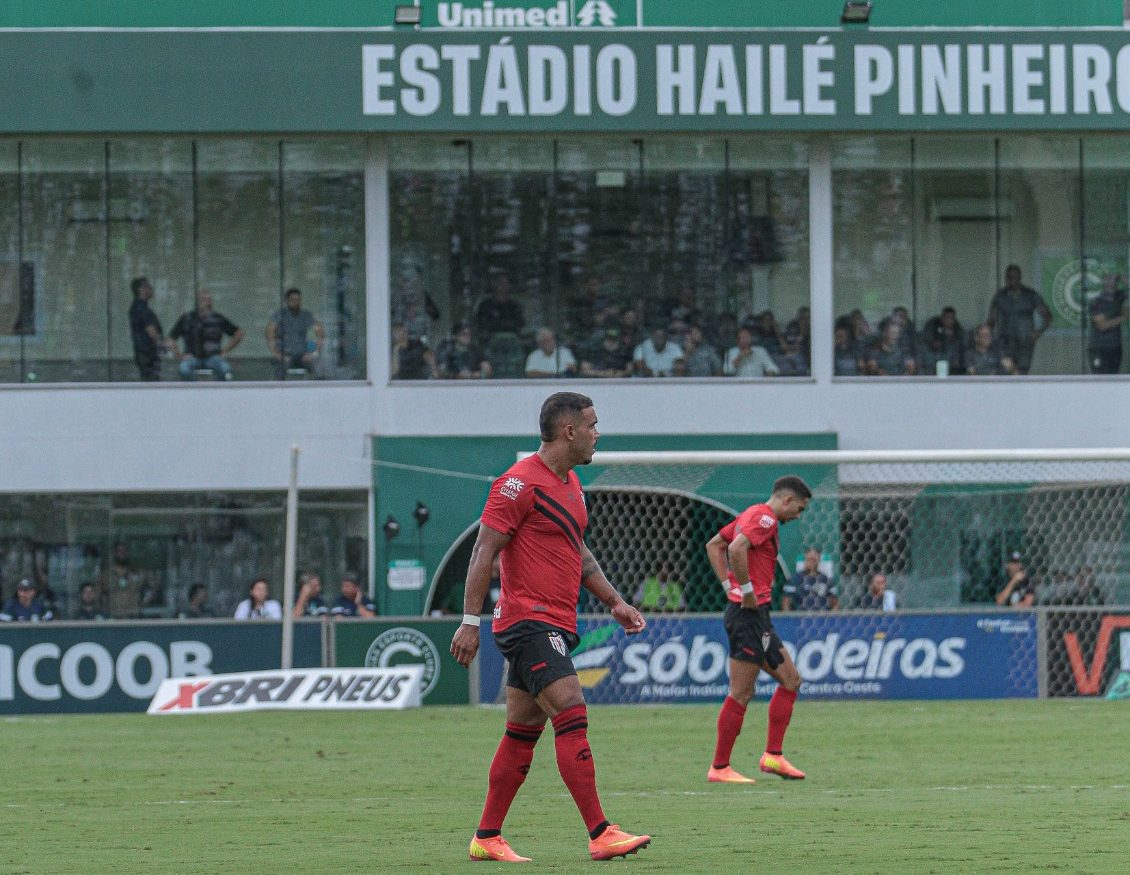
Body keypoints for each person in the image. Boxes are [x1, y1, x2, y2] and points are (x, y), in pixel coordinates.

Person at [450, 392, 651, 863]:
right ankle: (601, 831)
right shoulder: (517, 485)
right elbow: (483, 552)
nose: (598, 433)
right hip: (528, 622)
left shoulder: (572, 484)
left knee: (522, 732)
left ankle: (487, 836)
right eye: (593, 425)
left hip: (555, 620)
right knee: (572, 710)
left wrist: (615, 601)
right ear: (569, 431)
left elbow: (578, 552)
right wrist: (468, 621)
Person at [704, 475, 812, 785]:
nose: (798, 516)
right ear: (787, 500)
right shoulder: (764, 518)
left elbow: (715, 545)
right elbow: (736, 548)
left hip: (756, 616)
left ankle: (773, 756)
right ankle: (720, 767)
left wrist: (729, 586)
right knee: (741, 691)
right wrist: (746, 590)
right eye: (800, 509)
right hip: (747, 615)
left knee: (790, 680)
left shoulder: (750, 514)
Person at [987, 264, 1052, 375]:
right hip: (1005, 341)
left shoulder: (1030, 295)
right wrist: (989, 336)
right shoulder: (1000, 296)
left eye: (1015, 277)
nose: (1012, 281)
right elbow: (991, 319)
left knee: (1021, 372)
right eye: (1009, 278)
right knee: (1004, 371)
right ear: (1006, 278)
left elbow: (1047, 316)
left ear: (1019, 277)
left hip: (1025, 341)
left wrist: (1039, 331)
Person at [168, 290, 244, 381]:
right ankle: (193, 391)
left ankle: (218, 392)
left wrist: (225, 351)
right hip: (192, 357)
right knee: (184, 369)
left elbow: (238, 333)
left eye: (209, 299)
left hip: (213, 357)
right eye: (204, 299)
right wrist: (179, 355)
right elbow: (170, 339)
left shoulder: (217, 318)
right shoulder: (187, 318)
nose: (208, 302)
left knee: (225, 370)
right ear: (197, 302)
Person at [266, 288, 324, 379]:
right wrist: (275, 353)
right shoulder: (280, 314)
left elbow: (319, 331)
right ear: (287, 301)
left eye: (298, 300)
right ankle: (278, 389)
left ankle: (318, 389)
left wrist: (314, 353)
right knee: (281, 367)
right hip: (284, 353)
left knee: (317, 364)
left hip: (302, 354)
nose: (296, 302)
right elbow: (270, 331)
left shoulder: (305, 314)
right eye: (293, 300)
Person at [1088, 273, 1127, 374]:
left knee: (1113, 377)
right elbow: (1102, 325)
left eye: (1112, 279)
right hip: (1098, 347)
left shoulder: (1120, 297)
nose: (1110, 282)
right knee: (1099, 378)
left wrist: (1121, 277)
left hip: (1115, 347)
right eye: (1107, 279)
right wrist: (1123, 317)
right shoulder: (1096, 301)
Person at [473, 272, 526, 346]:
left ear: (509, 286)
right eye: (499, 283)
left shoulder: (514, 305)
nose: (501, 286)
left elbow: (520, 323)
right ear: (493, 284)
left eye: (504, 283)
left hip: (512, 341)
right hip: (490, 341)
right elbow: (480, 323)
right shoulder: (485, 304)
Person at [128, 276, 164, 381]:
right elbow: (151, 331)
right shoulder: (142, 308)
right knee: (152, 383)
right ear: (141, 290)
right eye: (148, 287)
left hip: (143, 354)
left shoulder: (136, 307)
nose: (151, 289)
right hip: (148, 354)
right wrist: (161, 345)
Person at [782, 547, 839, 611]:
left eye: (814, 560)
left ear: (819, 560)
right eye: (809, 559)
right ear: (805, 560)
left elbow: (835, 602)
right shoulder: (795, 579)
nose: (811, 562)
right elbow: (786, 601)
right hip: (801, 616)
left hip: (822, 617)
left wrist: (832, 617)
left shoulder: (826, 579)